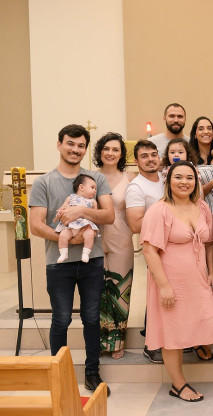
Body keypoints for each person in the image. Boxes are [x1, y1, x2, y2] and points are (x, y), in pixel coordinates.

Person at [29, 124, 114, 396]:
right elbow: (36, 224)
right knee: (61, 319)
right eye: (70, 143)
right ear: (59, 145)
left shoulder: (96, 179)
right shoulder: (44, 182)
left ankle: (92, 372)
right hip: (59, 263)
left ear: (85, 149)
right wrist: (66, 239)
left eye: (80, 145)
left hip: (92, 261)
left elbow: (109, 215)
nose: (75, 149)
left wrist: (81, 212)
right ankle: (60, 374)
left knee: (91, 318)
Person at [141, 161, 213, 402]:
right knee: (172, 332)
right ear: (168, 181)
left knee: (203, 317)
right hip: (170, 280)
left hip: (198, 278)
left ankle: (198, 346)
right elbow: (149, 250)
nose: (184, 182)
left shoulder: (202, 207)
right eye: (178, 177)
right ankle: (178, 384)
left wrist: (211, 272)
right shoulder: (159, 210)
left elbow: (208, 242)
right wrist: (164, 286)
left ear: (196, 182)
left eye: (190, 177)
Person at [93, 132, 136, 360]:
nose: (110, 153)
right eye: (106, 149)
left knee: (120, 291)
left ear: (121, 154)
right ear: (100, 152)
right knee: (98, 291)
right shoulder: (90, 177)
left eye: (115, 149)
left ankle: (117, 341)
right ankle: (100, 340)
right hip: (94, 237)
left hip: (121, 237)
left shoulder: (130, 177)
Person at [125, 139, 165, 364]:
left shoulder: (166, 178)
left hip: (174, 246)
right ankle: (151, 344)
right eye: (144, 156)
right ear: (136, 161)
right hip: (155, 249)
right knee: (157, 295)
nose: (150, 159)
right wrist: (167, 218)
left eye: (153, 154)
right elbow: (135, 224)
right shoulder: (136, 187)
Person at [53, 174, 100, 263]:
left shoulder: (93, 201)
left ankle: (86, 253)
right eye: (92, 187)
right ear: (81, 187)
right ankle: (63, 253)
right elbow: (62, 208)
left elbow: (95, 215)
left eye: (95, 189)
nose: (95, 190)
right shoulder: (71, 198)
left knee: (89, 234)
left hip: (85, 225)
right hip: (70, 226)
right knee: (63, 235)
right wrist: (60, 213)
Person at [189, 116, 213, 216]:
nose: (206, 132)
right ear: (195, 134)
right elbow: (191, 193)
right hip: (202, 214)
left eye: (209, 128)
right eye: (201, 129)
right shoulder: (189, 160)